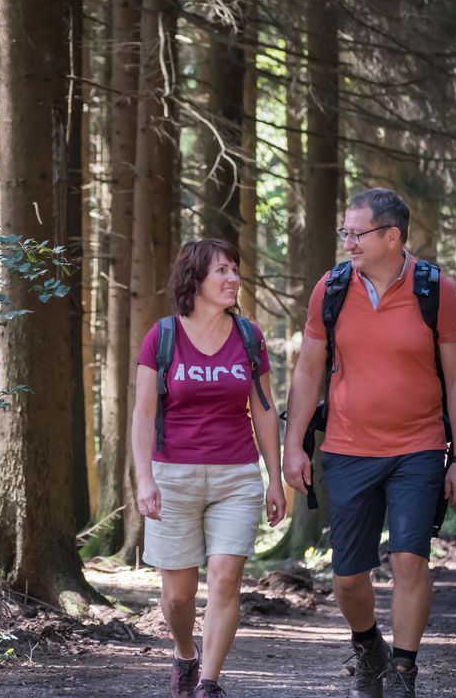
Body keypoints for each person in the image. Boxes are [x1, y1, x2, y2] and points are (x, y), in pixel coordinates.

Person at [282, 188, 456, 698]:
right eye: (344, 232)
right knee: (348, 579)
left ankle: (404, 674)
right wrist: (293, 444)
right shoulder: (332, 289)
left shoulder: (437, 289)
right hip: (347, 450)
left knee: (410, 558)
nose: (348, 241)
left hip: (418, 447)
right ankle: (370, 648)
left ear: (392, 236)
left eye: (357, 233)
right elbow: (307, 370)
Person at [132, 239, 286, 698]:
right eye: (222, 270)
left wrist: (274, 479)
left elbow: (263, 410)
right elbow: (142, 415)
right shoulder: (161, 337)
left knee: (225, 576)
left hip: (235, 476)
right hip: (172, 475)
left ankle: (209, 683)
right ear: (194, 280)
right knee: (178, 597)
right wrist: (144, 479)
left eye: (235, 269)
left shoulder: (249, 336)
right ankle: (184, 653)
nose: (233, 278)